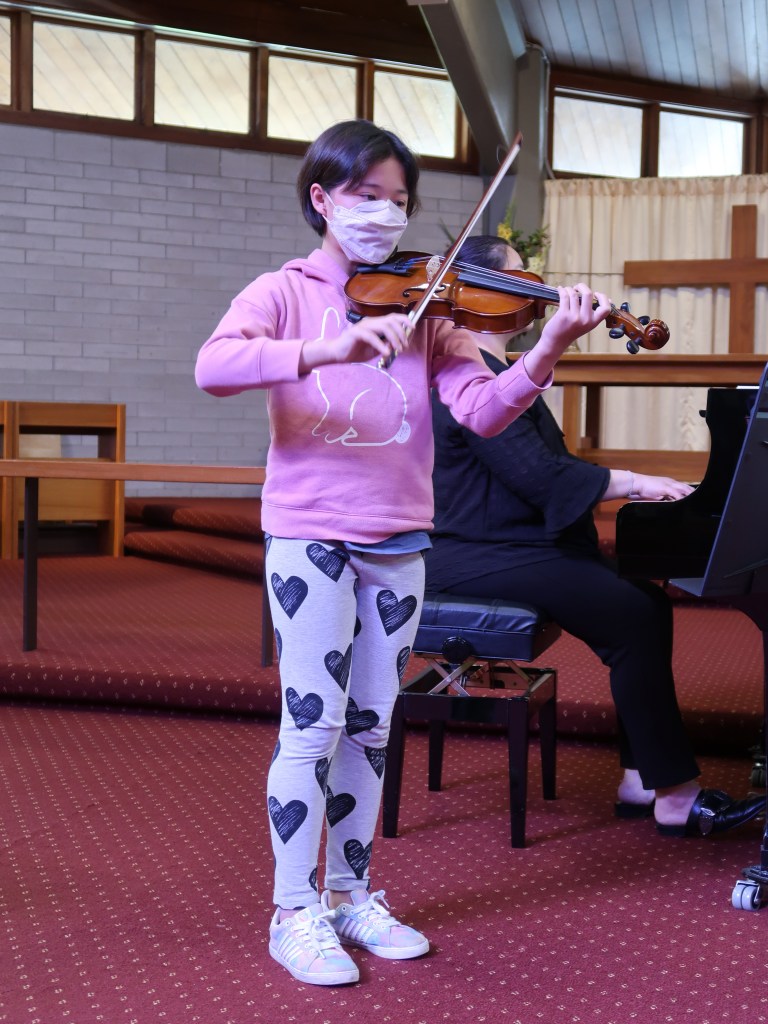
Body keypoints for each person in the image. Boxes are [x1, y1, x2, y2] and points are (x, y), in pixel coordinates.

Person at [195, 121, 612, 987]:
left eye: (399, 199)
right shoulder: (283, 291)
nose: (386, 213)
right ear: (323, 199)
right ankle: (293, 911)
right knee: (313, 725)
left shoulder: (431, 311)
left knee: (373, 726)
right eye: (367, 195)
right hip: (310, 534)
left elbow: (483, 411)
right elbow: (215, 367)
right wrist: (330, 346)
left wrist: (547, 347)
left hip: (400, 541)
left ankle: (350, 895)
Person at [426, 232, 764, 842]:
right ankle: (675, 797)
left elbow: (544, 470)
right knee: (633, 613)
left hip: (512, 542)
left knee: (644, 602)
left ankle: (641, 778)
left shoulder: (501, 369)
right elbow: (540, 477)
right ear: (477, 289)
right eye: (517, 276)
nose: (531, 289)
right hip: (476, 552)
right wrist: (639, 482)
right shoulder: (465, 373)